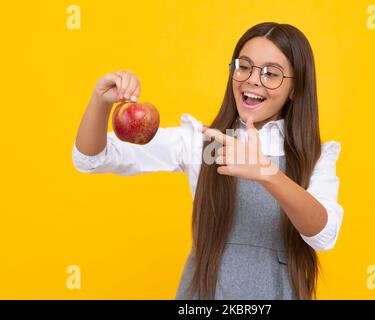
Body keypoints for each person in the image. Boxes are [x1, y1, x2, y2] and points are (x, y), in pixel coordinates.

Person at [72, 22, 344, 300]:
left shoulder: (313, 154)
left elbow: (323, 234)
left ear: (295, 89)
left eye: (271, 74)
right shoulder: (205, 142)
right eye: (245, 66)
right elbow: (92, 158)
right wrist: (101, 101)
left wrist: (267, 173)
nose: (252, 79)